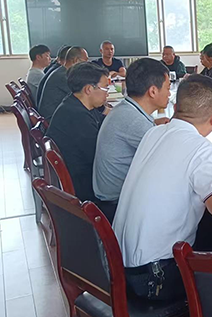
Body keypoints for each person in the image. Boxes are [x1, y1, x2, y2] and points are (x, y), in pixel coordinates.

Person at [112, 75, 212, 302]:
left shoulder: (154, 133)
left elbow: (177, 171)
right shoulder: (200, 148)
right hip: (154, 277)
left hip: (119, 265)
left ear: (175, 108)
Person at [93, 59, 172, 219]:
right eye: (168, 88)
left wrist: (154, 125)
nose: (169, 94)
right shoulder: (134, 121)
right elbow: (172, 160)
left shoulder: (126, 109)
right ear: (153, 91)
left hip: (111, 196)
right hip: (118, 206)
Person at [46, 63, 110, 202]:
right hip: (87, 187)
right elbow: (100, 157)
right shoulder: (77, 116)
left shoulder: (75, 103)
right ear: (88, 89)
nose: (107, 93)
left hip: (84, 174)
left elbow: (102, 121)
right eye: (105, 88)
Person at [38, 46, 89, 120]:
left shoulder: (63, 71)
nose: (87, 66)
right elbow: (81, 97)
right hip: (52, 119)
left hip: (56, 114)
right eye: (85, 62)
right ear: (76, 60)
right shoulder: (63, 76)